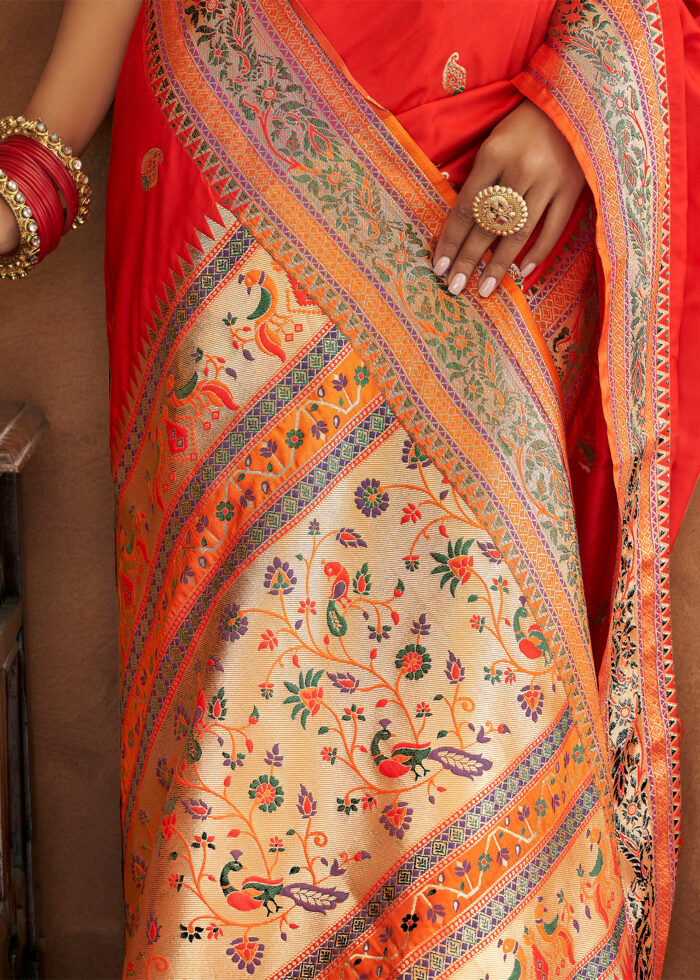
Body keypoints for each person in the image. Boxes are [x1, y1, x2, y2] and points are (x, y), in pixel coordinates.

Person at [1, 0, 698, 977]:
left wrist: (575, 101)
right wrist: (32, 167)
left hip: (492, 170)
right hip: (240, 158)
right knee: (244, 679)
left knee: (483, 665)